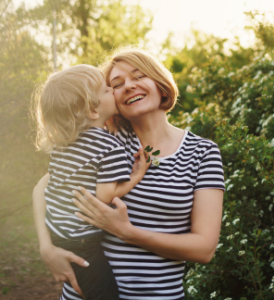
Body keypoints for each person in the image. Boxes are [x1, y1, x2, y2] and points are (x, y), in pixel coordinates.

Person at [33, 48, 225, 300]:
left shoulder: (202, 152)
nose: (128, 86)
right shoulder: (104, 143)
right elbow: (43, 188)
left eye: (138, 76)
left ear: (160, 84)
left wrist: (127, 232)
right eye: (116, 84)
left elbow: (204, 249)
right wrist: (47, 248)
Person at [33, 64, 150, 300]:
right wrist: (137, 175)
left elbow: (49, 185)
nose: (112, 91)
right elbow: (104, 198)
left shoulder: (65, 144)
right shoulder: (109, 147)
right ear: (93, 111)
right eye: (108, 89)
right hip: (82, 239)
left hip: (58, 231)